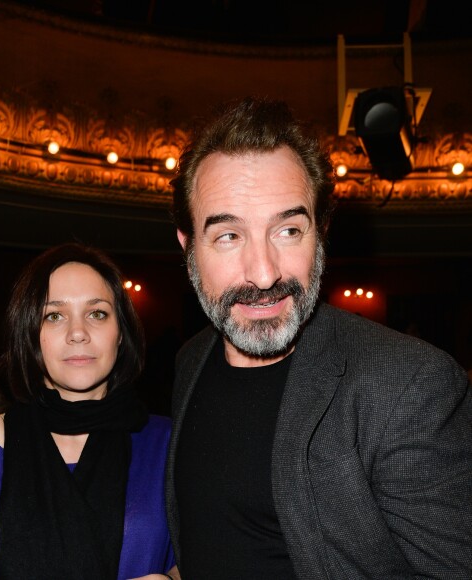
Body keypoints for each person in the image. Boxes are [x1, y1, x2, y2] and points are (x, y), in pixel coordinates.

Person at [166, 96, 472, 578]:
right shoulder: (190, 360)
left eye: (288, 230)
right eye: (228, 236)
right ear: (189, 248)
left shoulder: (411, 387)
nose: (263, 273)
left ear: (321, 234)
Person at [0, 243, 179, 580]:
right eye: (54, 315)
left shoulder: (166, 442)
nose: (78, 333)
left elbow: (213, 556)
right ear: (31, 335)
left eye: (97, 313)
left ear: (120, 334)